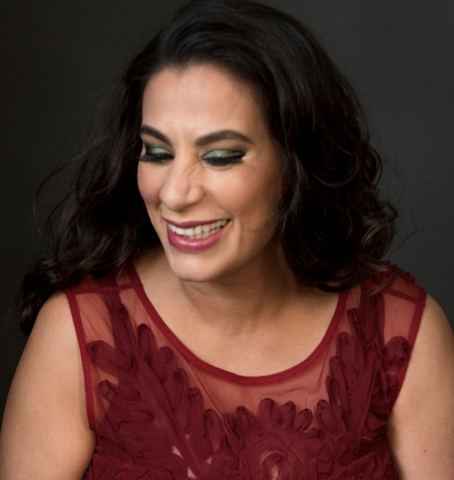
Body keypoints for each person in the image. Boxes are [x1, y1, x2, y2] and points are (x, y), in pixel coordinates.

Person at [1, 0, 453, 478]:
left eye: (219, 157)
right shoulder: (77, 335)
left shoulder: (402, 335)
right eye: (156, 152)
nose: (174, 194)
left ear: (295, 165)